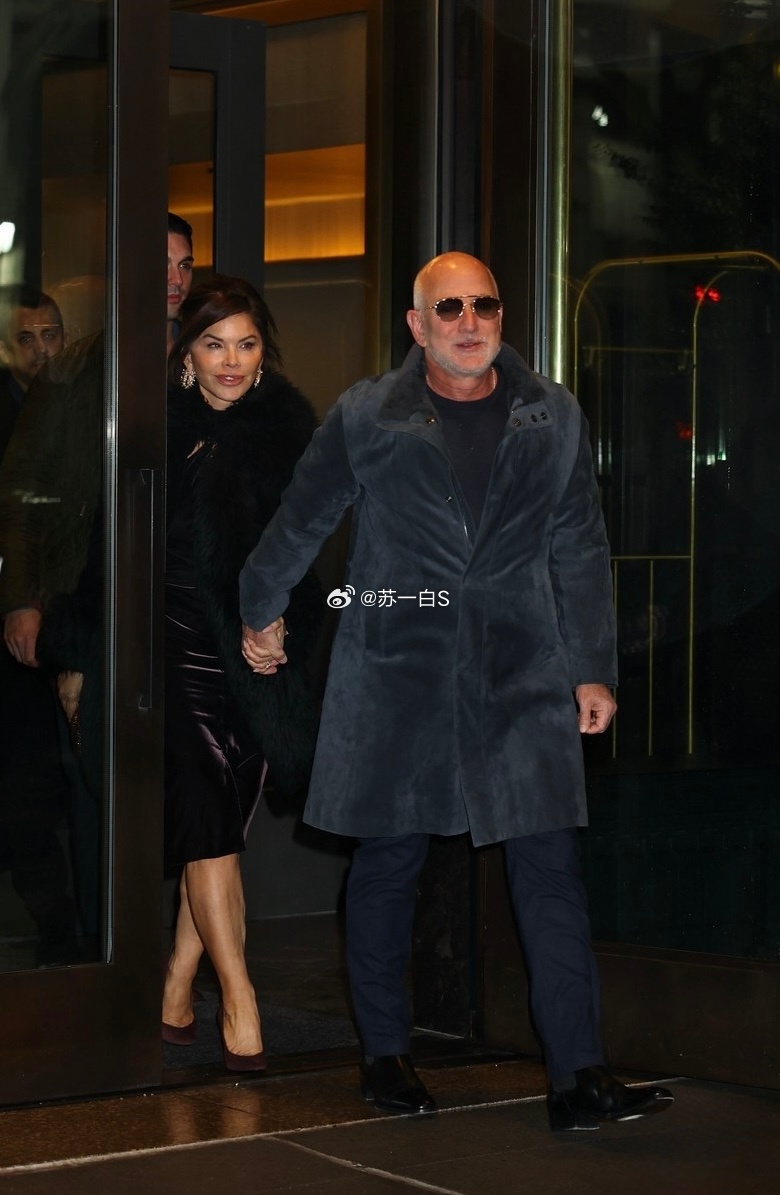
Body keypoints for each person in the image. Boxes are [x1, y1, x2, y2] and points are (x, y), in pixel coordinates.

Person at [238, 251, 675, 1129]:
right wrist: (261, 608)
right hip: (398, 673)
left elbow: (580, 544)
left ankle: (578, 1075)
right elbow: (302, 517)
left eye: (485, 305)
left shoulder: (553, 415)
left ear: (502, 317)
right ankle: (386, 1054)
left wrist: (591, 666)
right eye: (449, 308)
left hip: (523, 674)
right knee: (390, 863)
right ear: (417, 324)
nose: (469, 322)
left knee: (550, 869)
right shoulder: (368, 415)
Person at [162, 275, 322, 1071]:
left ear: (264, 353)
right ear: (186, 355)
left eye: (246, 343)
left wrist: (276, 617)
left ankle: (175, 981)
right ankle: (240, 999)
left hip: (257, 652)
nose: (231, 360)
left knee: (222, 826)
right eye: (213, 343)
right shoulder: (156, 428)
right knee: (208, 826)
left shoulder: (290, 432)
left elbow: (306, 546)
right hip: (174, 648)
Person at [0, 284, 79, 966]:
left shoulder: (81, 402)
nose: (41, 349)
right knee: (25, 774)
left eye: (50, 334)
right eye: (26, 338)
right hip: (18, 613)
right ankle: (58, 921)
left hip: (73, 609)